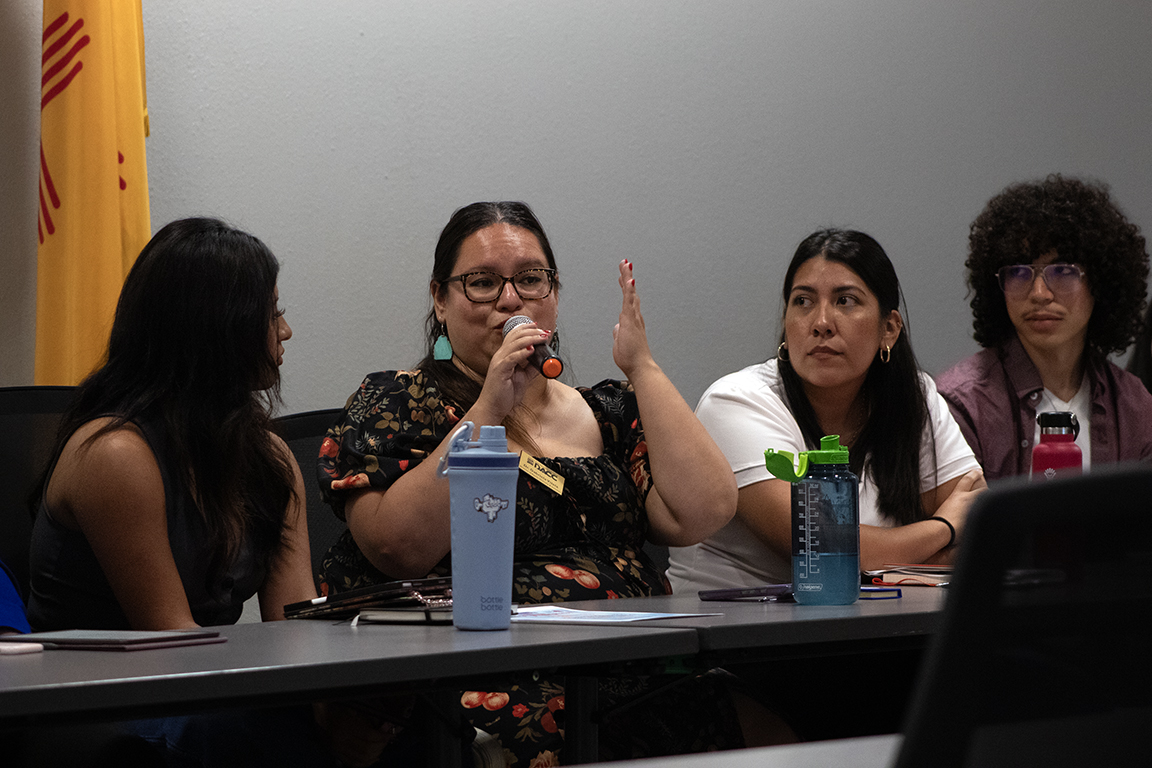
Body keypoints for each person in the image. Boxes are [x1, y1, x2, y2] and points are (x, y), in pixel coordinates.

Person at [317, 201, 774, 765]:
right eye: (482, 283)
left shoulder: (605, 410)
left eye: (531, 280)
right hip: (485, 676)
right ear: (440, 299)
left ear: (554, 293)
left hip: (632, 669)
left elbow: (703, 510)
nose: (511, 300)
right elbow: (397, 545)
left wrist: (643, 367)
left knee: (758, 720)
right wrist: (487, 407)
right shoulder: (398, 401)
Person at [24, 217, 333, 767]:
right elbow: (172, 643)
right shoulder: (115, 454)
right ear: (220, 328)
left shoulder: (270, 457)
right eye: (272, 313)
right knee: (268, 736)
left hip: (200, 695)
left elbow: (295, 627)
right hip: (98, 710)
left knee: (396, 717)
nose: (285, 332)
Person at [667, 229, 985, 594]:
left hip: (876, 626)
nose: (821, 323)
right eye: (803, 301)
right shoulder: (737, 402)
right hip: (741, 636)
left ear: (890, 329)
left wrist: (889, 557)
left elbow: (977, 525)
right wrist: (944, 527)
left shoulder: (916, 396)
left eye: (845, 301)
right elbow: (823, 548)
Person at [937, 175, 1152, 480]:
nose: (1039, 293)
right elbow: (962, 525)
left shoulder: (1134, 405)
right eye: (1019, 272)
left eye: (1063, 271)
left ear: (1101, 282)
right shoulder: (961, 406)